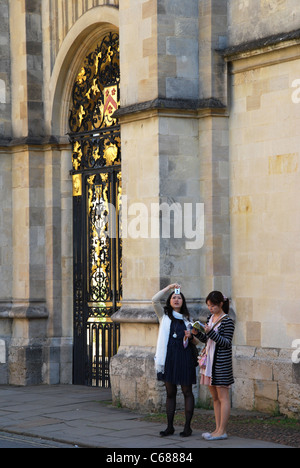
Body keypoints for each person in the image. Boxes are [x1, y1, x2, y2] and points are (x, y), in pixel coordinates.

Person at [152, 284, 200, 437]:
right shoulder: (164, 316)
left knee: (187, 391)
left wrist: (190, 336)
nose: (176, 299)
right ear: (170, 301)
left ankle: (187, 427)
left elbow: (196, 342)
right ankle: (170, 427)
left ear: (183, 301)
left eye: (179, 297)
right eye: (174, 297)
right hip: (169, 358)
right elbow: (154, 300)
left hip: (184, 358)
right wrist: (169, 288)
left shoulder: (188, 319)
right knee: (170, 392)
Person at [196, 291, 235, 441]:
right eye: (208, 306)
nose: (210, 308)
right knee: (215, 398)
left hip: (221, 364)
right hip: (209, 363)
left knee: (223, 397)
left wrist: (210, 332)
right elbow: (207, 340)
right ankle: (217, 429)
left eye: (213, 305)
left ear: (220, 304)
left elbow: (226, 343)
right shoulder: (210, 318)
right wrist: (197, 333)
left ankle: (223, 431)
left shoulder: (227, 321)